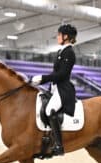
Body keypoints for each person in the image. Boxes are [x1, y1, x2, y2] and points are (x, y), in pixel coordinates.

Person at [30, 24, 77, 155]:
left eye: (59, 34)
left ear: (66, 36)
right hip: (55, 88)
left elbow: (62, 75)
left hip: (63, 89)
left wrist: (43, 78)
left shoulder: (69, 53)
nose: (57, 37)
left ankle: (59, 145)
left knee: (50, 110)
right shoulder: (61, 51)